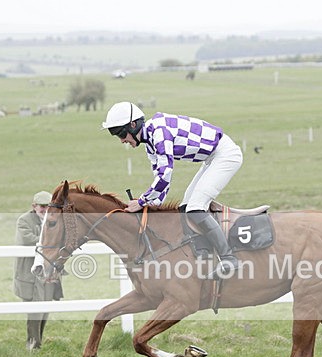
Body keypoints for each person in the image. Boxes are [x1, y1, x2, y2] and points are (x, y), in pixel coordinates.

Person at [101, 101, 243, 278]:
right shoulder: (150, 143)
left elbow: (165, 174)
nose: (122, 140)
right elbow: (161, 183)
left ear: (133, 124)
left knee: (196, 207)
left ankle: (229, 258)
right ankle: (203, 252)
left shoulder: (159, 132)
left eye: (122, 134)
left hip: (225, 155)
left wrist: (140, 202)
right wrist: (150, 206)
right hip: (212, 158)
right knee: (185, 208)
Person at [13, 191, 64, 349]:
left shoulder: (55, 220)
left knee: (45, 309)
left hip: (49, 273)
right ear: (34, 206)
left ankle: (38, 342)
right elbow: (27, 239)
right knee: (34, 310)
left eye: (48, 206)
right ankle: (32, 344)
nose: (45, 209)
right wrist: (51, 241)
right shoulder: (24, 221)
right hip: (30, 274)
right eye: (42, 206)